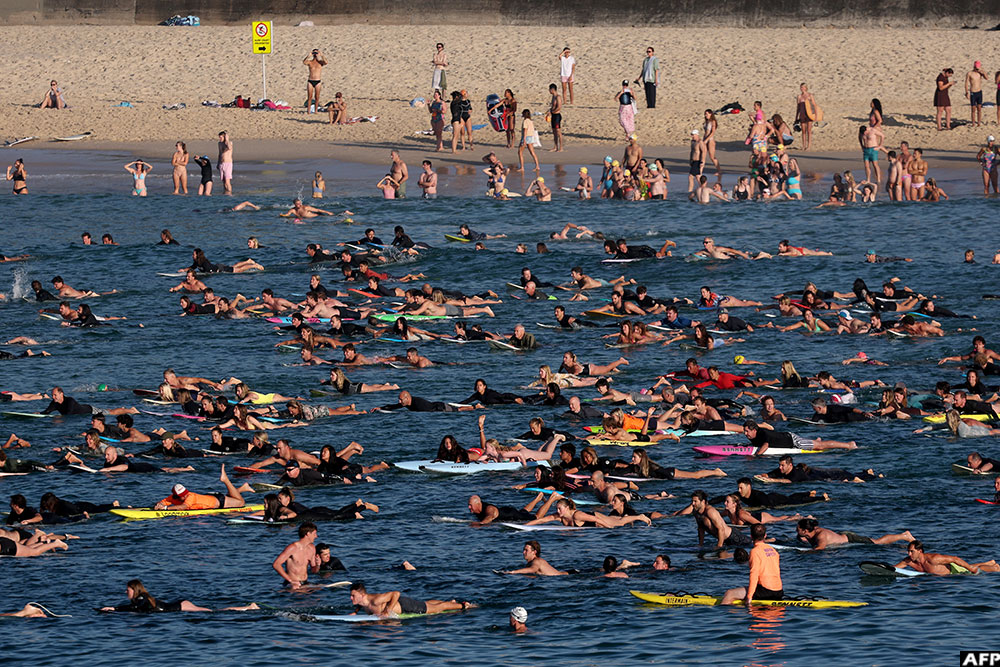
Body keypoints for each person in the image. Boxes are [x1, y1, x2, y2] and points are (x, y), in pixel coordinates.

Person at [721, 524, 782, 606]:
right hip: (779, 591)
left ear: (751, 536)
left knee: (729, 593)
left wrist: (749, 597)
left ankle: (723, 615)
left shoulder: (755, 551)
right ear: (765, 535)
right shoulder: (773, 550)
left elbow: (754, 575)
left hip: (766, 591)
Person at [349, 582, 472, 618]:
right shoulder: (362, 602)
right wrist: (355, 611)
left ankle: (462, 605)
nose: (351, 598)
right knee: (427, 603)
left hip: (405, 606)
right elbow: (363, 605)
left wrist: (388, 611)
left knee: (436, 609)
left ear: (362, 594)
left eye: (353, 596)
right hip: (402, 605)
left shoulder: (375, 600)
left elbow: (396, 593)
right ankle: (451, 603)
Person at [795, 518, 914, 550]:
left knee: (877, 543)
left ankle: (904, 536)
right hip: (840, 536)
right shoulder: (806, 534)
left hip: (850, 538)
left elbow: (820, 548)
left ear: (805, 530)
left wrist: (801, 552)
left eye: (798, 528)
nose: (796, 530)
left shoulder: (821, 535)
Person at [895, 540, 999, 575]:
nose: (909, 554)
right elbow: (893, 569)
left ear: (920, 551)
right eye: (908, 551)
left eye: (911, 551)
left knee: (971, 571)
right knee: (968, 567)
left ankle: (995, 568)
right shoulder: (908, 561)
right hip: (946, 572)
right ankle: (989, 562)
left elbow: (955, 559)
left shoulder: (933, 559)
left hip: (953, 571)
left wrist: (971, 569)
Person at [273, 522, 321, 588]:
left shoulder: (312, 548)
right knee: (296, 589)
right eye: (314, 534)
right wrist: (291, 581)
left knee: (319, 594)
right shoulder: (292, 548)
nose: (316, 536)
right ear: (308, 534)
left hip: (305, 582)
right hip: (292, 584)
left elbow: (314, 571)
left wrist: (318, 565)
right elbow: (276, 564)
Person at [501, 540, 567, 575]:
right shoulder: (530, 563)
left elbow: (533, 569)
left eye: (526, 550)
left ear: (534, 552)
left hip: (566, 576)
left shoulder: (537, 561)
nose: (523, 552)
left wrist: (512, 572)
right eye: (523, 550)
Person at [303, 49, 326, 113]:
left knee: (317, 97)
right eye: (314, 53)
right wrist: (308, 56)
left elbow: (326, 62)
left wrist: (321, 55)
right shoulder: (310, 62)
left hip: (317, 81)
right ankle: (308, 110)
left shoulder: (320, 62)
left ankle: (316, 110)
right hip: (310, 80)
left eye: (316, 53)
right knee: (309, 97)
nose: (315, 54)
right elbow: (304, 62)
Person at [795, 83, 817, 151]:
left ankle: (809, 145)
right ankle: (804, 145)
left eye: (803, 87)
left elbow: (814, 105)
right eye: (801, 87)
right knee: (803, 130)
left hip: (809, 114)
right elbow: (798, 107)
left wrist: (815, 115)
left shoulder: (810, 95)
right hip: (802, 114)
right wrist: (796, 117)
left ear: (806, 88)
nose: (802, 88)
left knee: (809, 130)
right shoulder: (799, 96)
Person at [965, 60, 987, 127]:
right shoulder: (970, 73)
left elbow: (986, 78)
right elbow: (966, 83)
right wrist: (966, 92)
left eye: (978, 68)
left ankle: (979, 122)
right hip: (973, 92)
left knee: (979, 108)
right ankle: (973, 123)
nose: (977, 69)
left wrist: (983, 72)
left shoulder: (980, 73)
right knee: (973, 109)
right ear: (974, 67)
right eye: (976, 68)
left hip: (979, 92)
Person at [548, 83, 563, 152]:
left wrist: (553, 111)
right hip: (553, 115)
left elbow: (559, 107)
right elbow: (552, 107)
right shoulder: (553, 97)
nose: (549, 91)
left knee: (558, 131)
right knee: (554, 132)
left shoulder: (558, 97)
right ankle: (555, 146)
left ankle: (561, 147)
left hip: (557, 115)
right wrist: (550, 111)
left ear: (552, 89)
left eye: (549, 89)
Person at [218, 131, 233, 195]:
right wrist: (218, 163)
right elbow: (220, 153)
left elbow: (229, 148)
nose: (220, 139)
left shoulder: (229, 143)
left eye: (221, 137)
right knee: (223, 181)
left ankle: (229, 193)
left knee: (227, 181)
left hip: (228, 163)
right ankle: (225, 193)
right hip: (221, 163)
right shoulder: (219, 143)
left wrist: (227, 139)